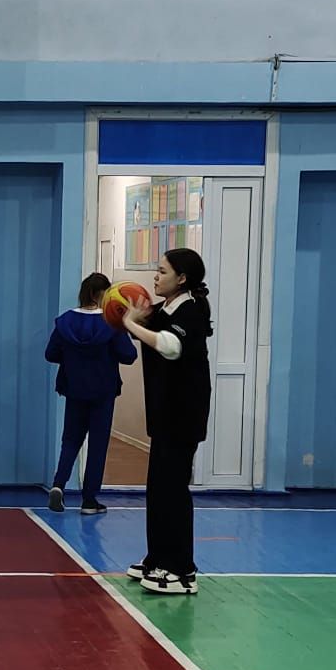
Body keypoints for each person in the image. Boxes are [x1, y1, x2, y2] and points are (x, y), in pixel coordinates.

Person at [121, 248, 214, 596]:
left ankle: (182, 570)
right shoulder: (164, 310)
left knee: (174, 490)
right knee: (158, 489)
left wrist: (131, 324)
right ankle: (158, 559)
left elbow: (170, 346)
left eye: (162, 271)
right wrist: (126, 315)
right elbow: (144, 328)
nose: (156, 276)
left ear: (182, 278)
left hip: (184, 415)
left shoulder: (192, 310)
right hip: (163, 413)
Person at [45, 272, 137, 516]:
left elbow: (51, 354)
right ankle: (89, 500)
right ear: (101, 295)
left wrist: (73, 358)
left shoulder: (65, 322)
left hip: (74, 389)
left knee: (70, 440)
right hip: (103, 391)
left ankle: (58, 484)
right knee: (97, 444)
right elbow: (128, 356)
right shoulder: (112, 324)